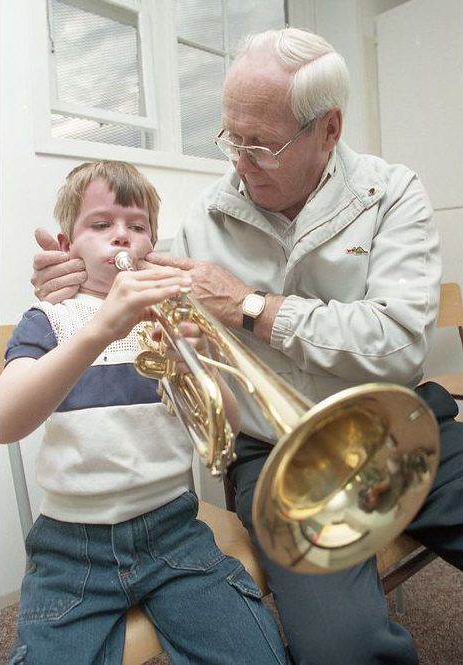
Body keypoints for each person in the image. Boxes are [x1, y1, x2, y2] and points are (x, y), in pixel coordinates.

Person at [29, 29, 463, 665]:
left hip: (397, 421)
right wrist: (64, 279)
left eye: (259, 144)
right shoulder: (201, 220)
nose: (238, 159)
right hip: (278, 454)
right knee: (341, 648)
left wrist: (253, 307)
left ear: (329, 130)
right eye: (230, 136)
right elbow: (121, 268)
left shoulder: (390, 193)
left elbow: (395, 343)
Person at [0, 161, 289, 665]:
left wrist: (194, 365)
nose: (121, 239)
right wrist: (99, 330)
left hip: (174, 529)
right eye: (101, 224)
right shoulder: (50, 318)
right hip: (71, 548)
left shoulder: (172, 317)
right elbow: (6, 420)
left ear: (151, 244)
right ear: (68, 246)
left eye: (137, 227)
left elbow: (229, 424)